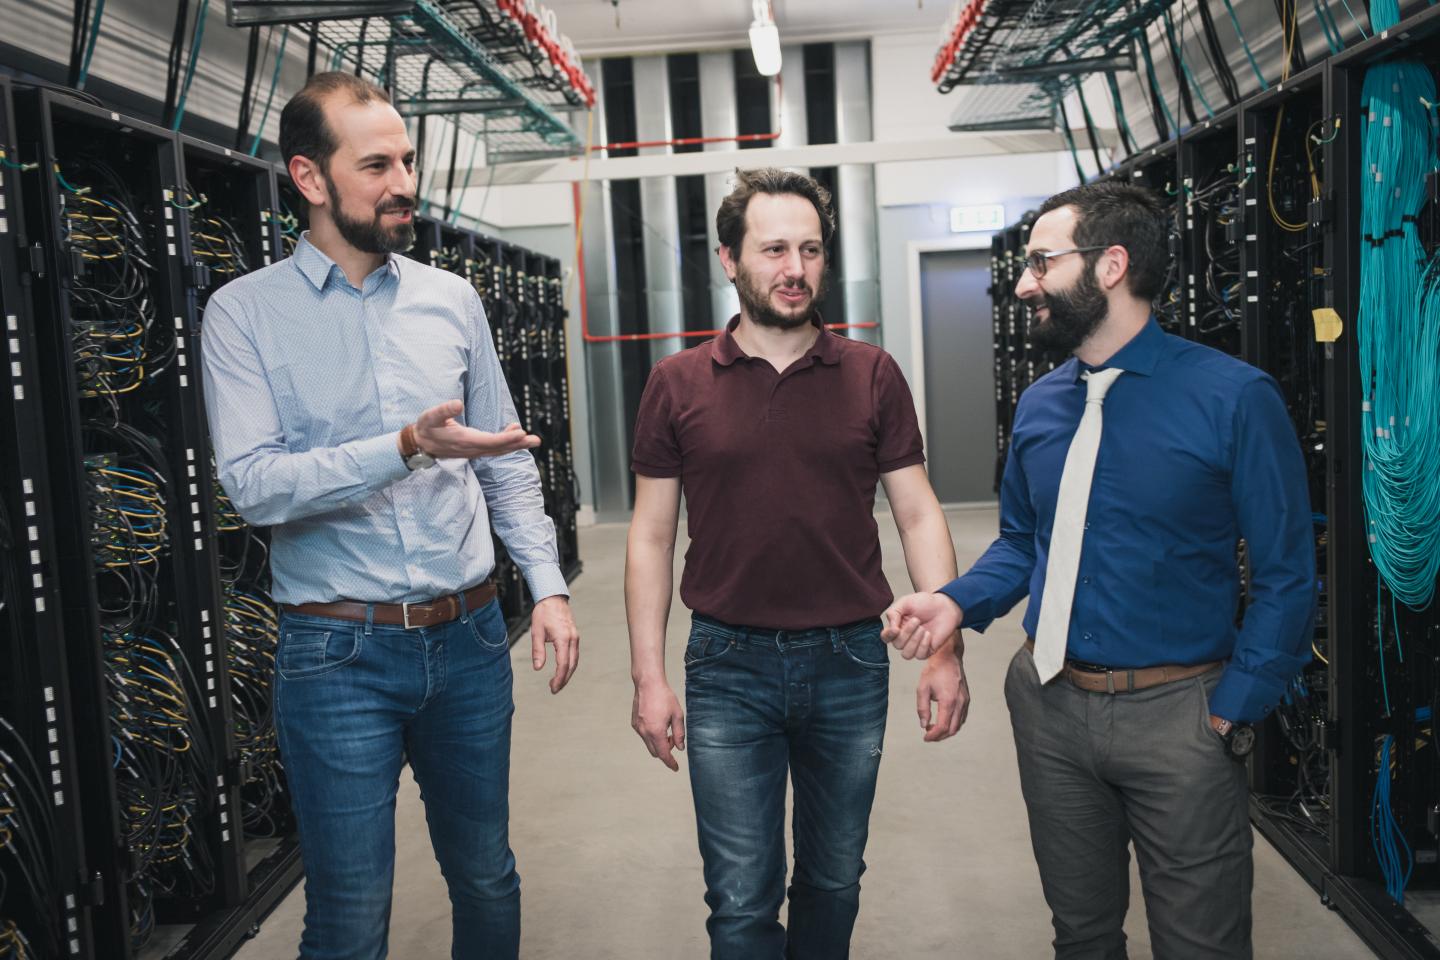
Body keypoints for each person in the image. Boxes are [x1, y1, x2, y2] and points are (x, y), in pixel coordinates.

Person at [200, 71, 579, 960]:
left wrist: (551, 589)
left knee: (486, 874)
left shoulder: (453, 301)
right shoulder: (243, 315)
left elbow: (507, 462)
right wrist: (403, 445)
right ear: (310, 178)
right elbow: (254, 486)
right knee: (350, 911)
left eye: (407, 159)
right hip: (338, 655)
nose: (404, 180)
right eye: (376, 164)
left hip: (472, 640)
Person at [883, 181, 1315, 959]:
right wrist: (954, 603)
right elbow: (1022, 542)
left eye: (1042, 262)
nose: (1024, 282)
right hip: (1050, 707)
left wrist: (1231, 710)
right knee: (1081, 935)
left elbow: (1287, 573)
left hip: (1181, 714)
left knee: (1200, 945)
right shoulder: (1044, 405)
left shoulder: (1234, 398)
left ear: (1111, 265)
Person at [625, 166, 968, 959]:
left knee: (834, 880)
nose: (795, 268)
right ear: (729, 259)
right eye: (774, 248)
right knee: (741, 901)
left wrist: (945, 649)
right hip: (727, 663)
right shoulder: (677, 384)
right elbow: (649, 534)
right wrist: (649, 676)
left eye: (810, 249)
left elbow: (917, 512)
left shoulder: (872, 375)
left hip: (850, 658)